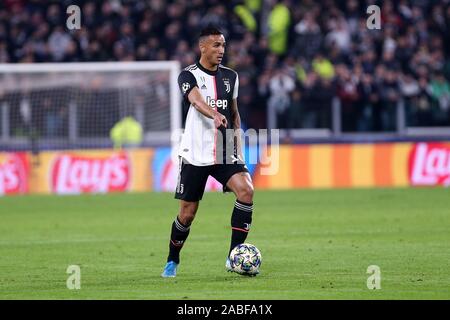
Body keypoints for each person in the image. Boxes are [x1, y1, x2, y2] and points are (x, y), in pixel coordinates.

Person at [161, 27, 255, 277]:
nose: (221, 50)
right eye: (216, 45)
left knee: (246, 190)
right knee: (187, 213)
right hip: (196, 153)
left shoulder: (231, 77)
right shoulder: (187, 75)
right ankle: (172, 259)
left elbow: (234, 113)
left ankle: (233, 257)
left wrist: (239, 147)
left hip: (224, 152)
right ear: (203, 47)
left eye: (223, 45)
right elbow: (195, 100)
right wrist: (213, 113)